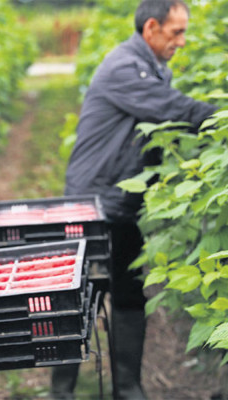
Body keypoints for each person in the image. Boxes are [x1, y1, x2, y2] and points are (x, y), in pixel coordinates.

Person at [52, 0, 218, 399]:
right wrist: (221, 116)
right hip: (95, 201)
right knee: (76, 299)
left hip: (120, 200)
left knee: (126, 290)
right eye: (176, 31)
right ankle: (64, 392)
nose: (182, 40)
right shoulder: (125, 67)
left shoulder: (153, 67)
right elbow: (172, 109)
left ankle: (127, 387)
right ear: (151, 29)